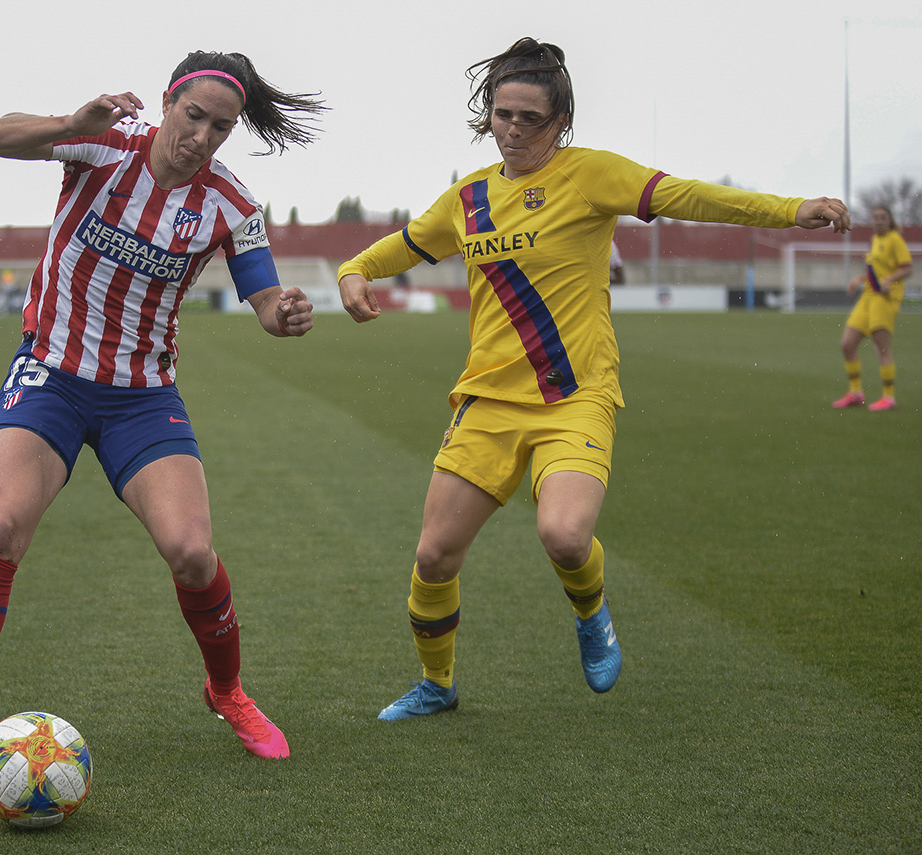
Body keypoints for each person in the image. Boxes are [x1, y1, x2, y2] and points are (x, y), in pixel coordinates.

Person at [336, 37, 850, 721]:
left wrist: (790, 209)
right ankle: (438, 684)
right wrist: (353, 274)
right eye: (502, 114)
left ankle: (592, 614)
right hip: (487, 400)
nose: (512, 129)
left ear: (561, 123)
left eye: (530, 118)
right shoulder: (468, 199)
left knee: (566, 536)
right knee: (433, 556)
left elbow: (689, 196)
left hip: (574, 396)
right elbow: (395, 247)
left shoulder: (591, 175)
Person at [0, 50, 325, 794]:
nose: (201, 136)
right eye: (193, 115)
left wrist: (284, 313)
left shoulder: (231, 204)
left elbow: (264, 300)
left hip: (142, 395)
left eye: (220, 127)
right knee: (2, 527)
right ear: (167, 103)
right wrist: (66, 124)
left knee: (193, 552)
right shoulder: (104, 140)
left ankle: (226, 692)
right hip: (52, 377)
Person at [832, 205, 912, 411]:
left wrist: (889, 280)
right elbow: (876, 271)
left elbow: (907, 268)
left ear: (890, 220)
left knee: (882, 347)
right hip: (867, 297)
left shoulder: (895, 239)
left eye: (883, 217)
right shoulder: (875, 240)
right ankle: (856, 393)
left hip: (885, 299)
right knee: (847, 344)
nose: (878, 221)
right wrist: (859, 279)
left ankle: (889, 397)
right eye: (875, 217)